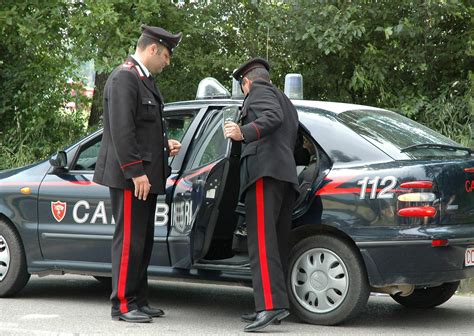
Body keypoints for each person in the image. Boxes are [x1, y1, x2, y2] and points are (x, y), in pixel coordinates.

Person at [93, 24, 182, 323]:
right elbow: (121, 130)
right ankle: (121, 303)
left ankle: (137, 299)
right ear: (153, 48)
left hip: (145, 176)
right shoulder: (124, 78)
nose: (168, 62)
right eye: (167, 55)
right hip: (132, 178)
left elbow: (141, 130)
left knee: (142, 241)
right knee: (129, 240)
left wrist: (162, 145)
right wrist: (135, 172)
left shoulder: (144, 80)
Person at [224, 58, 299, 332]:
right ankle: (274, 303)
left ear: (247, 82)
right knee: (275, 244)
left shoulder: (259, 92)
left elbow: (271, 118)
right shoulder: (285, 99)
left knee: (261, 244)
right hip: (282, 176)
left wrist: (242, 132)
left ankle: (269, 306)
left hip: (264, 176)